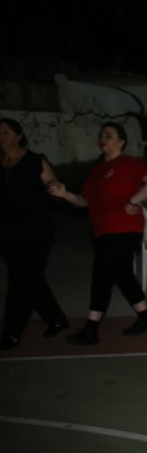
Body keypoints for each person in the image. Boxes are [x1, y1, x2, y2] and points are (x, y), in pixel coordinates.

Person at [49, 122, 147, 345]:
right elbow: (84, 201)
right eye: (101, 135)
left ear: (121, 142)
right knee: (121, 273)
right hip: (101, 230)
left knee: (102, 272)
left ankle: (91, 328)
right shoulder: (97, 171)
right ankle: (146, 318)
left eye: (109, 136)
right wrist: (65, 194)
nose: (103, 139)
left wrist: (133, 200)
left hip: (124, 227)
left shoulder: (129, 163)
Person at [0, 117, 70, 348]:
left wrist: (53, 189)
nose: (1, 137)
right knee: (31, 279)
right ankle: (57, 319)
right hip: (8, 232)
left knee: (20, 283)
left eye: (6, 132)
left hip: (36, 231)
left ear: (19, 136)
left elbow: (52, 184)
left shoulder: (34, 161)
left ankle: (11, 333)